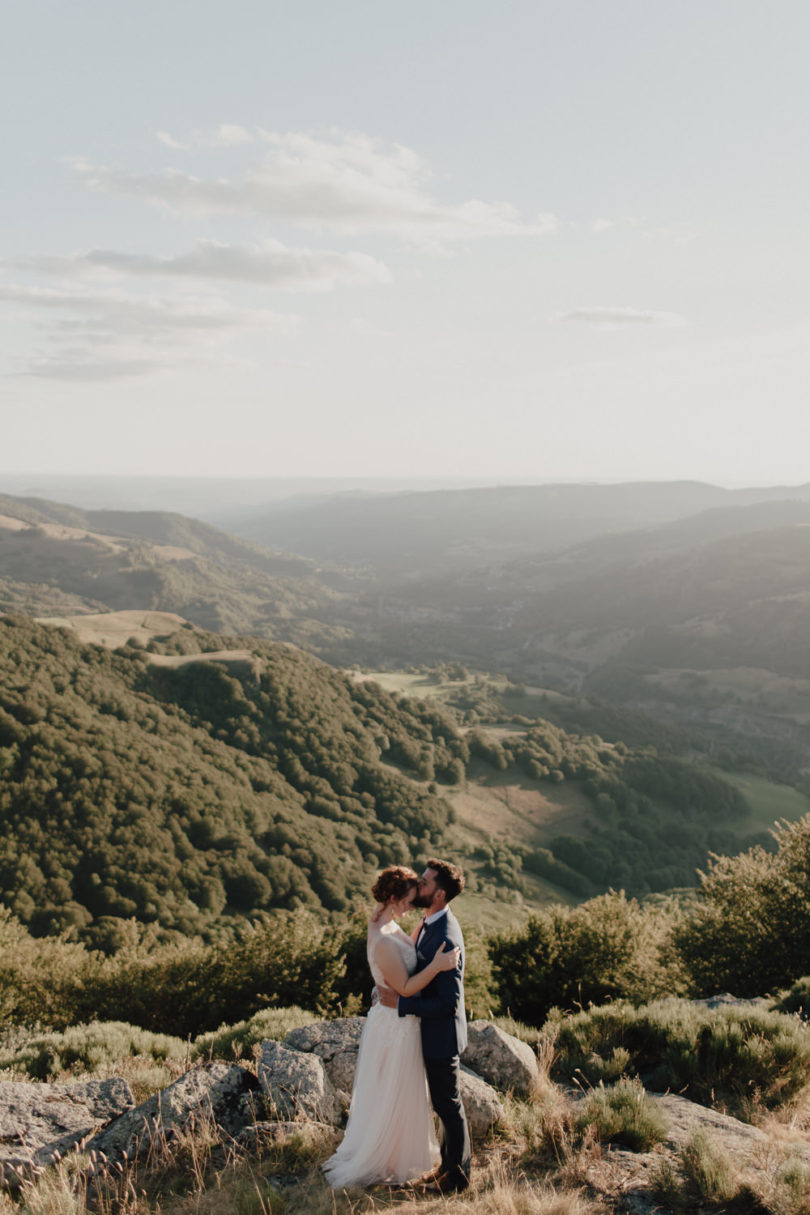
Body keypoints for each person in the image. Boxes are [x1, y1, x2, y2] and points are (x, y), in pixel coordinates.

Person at [322, 864, 460, 1189]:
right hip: (395, 1026)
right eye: (409, 900)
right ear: (395, 898)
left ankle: (401, 1153)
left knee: (401, 1090)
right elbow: (407, 987)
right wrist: (438, 966)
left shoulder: (385, 921)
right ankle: (386, 1158)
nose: (412, 906)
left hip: (403, 1022)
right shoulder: (382, 939)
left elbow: (403, 952)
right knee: (392, 1091)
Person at [377, 858, 471, 1195]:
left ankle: (458, 1180)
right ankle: (448, 1166)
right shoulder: (430, 921)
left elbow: (448, 1004)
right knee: (445, 1105)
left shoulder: (445, 936)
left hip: (441, 1035)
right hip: (431, 1032)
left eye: (427, 883)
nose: (420, 887)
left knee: (449, 1106)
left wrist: (403, 1004)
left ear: (440, 894)